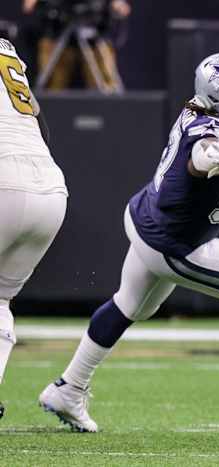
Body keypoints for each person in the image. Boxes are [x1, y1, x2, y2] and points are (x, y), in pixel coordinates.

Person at [38, 51, 219, 432]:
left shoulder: (203, 113)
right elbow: (201, 158)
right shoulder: (212, 134)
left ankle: (68, 388)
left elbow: (210, 148)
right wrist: (212, 162)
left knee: (128, 305)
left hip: (145, 220)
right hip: (177, 246)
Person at [0, 38, 68, 420]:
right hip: (51, 186)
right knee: (0, 300)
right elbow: (38, 120)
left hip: (4, 179)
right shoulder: (6, 48)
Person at [23, 0, 130, 92]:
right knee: (51, 85)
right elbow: (29, 6)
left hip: (93, 36)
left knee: (107, 85)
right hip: (57, 32)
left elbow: (121, 7)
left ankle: (109, 106)